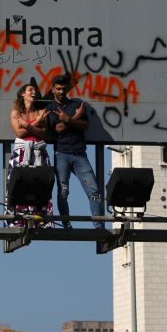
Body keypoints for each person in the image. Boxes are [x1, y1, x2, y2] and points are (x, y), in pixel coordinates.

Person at [45, 73, 104, 228]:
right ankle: (66, 224)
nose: (61, 92)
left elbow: (85, 126)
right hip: (61, 154)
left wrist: (68, 119)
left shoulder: (76, 104)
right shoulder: (50, 108)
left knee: (94, 190)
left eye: (63, 89)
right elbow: (57, 129)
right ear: (52, 90)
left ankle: (98, 226)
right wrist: (74, 118)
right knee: (63, 191)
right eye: (58, 89)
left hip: (80, 153)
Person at [5, 83, 53, 227]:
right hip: (21, 152)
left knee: (41, 184)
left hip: (39, 151)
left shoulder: (41, 111)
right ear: (22, 94)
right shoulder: (15, 112)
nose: (34, 92)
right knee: (18, 184)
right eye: (30, 90)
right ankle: (18, 221)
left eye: (35, 90)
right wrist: (36, 123)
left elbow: (43, 133)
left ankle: (41, 219)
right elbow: (19, 133)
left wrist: (28, 125)